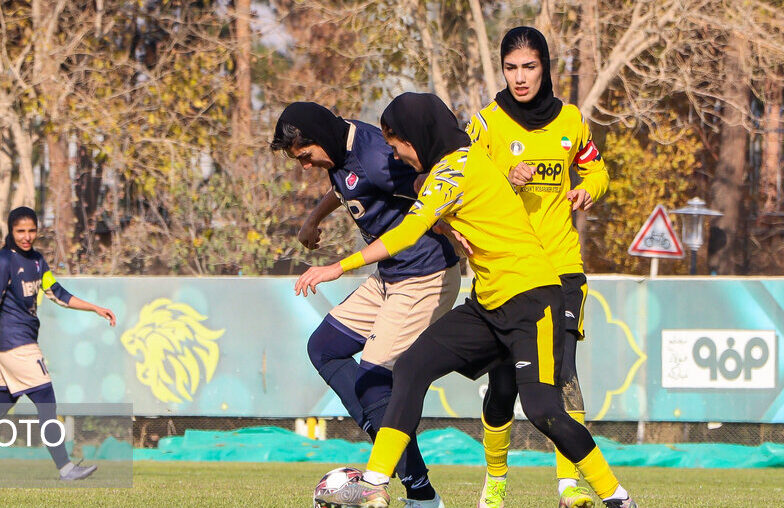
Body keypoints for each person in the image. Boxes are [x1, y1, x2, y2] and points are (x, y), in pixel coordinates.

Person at [299, 93, 636, 508]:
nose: (395, 154)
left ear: (418, 137)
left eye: (397, 144)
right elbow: (442, 203)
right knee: (410, 367)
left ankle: (617, 498)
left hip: (532, 299)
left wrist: (339, 267)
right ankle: (374, 482)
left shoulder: (455, 169)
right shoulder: (459, 162)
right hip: (488, 304)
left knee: (543, 409)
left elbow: (407, 231)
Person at [272, 102, 461, 507]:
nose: (305, 166)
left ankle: (420, 495)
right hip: (391, 276)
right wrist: (313, 220)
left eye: (305, 156)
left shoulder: (376, 156)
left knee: (373, 377)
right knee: (324, 348)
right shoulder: (341, 147)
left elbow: (430, 185)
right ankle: (386, 440)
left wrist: (453, 225)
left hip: (424, 276)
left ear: (319, 137)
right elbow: (347, 187)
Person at [465, 26, 610, 508]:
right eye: (511, 68)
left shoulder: (571, 121)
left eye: (529, 67)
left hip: (562, 268)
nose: (520, 77)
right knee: (504, 383)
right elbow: (460, 182)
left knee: (562, 374)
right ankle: (497, 480)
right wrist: (504, 178)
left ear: (545, 67)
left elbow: (596, 167)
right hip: (507, 271)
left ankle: (571, 489)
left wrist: (592, 187)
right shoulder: (486, 124)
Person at [0, 206, 117, 481]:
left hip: (16, 346)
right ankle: (65, 468)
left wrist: (95, 308)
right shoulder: (4, 261)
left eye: (31, 230)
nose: (27, 236)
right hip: (17, 345)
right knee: (46, 401)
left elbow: (57, 292)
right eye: (20, 231)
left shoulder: (38, 261)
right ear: (11, 231)